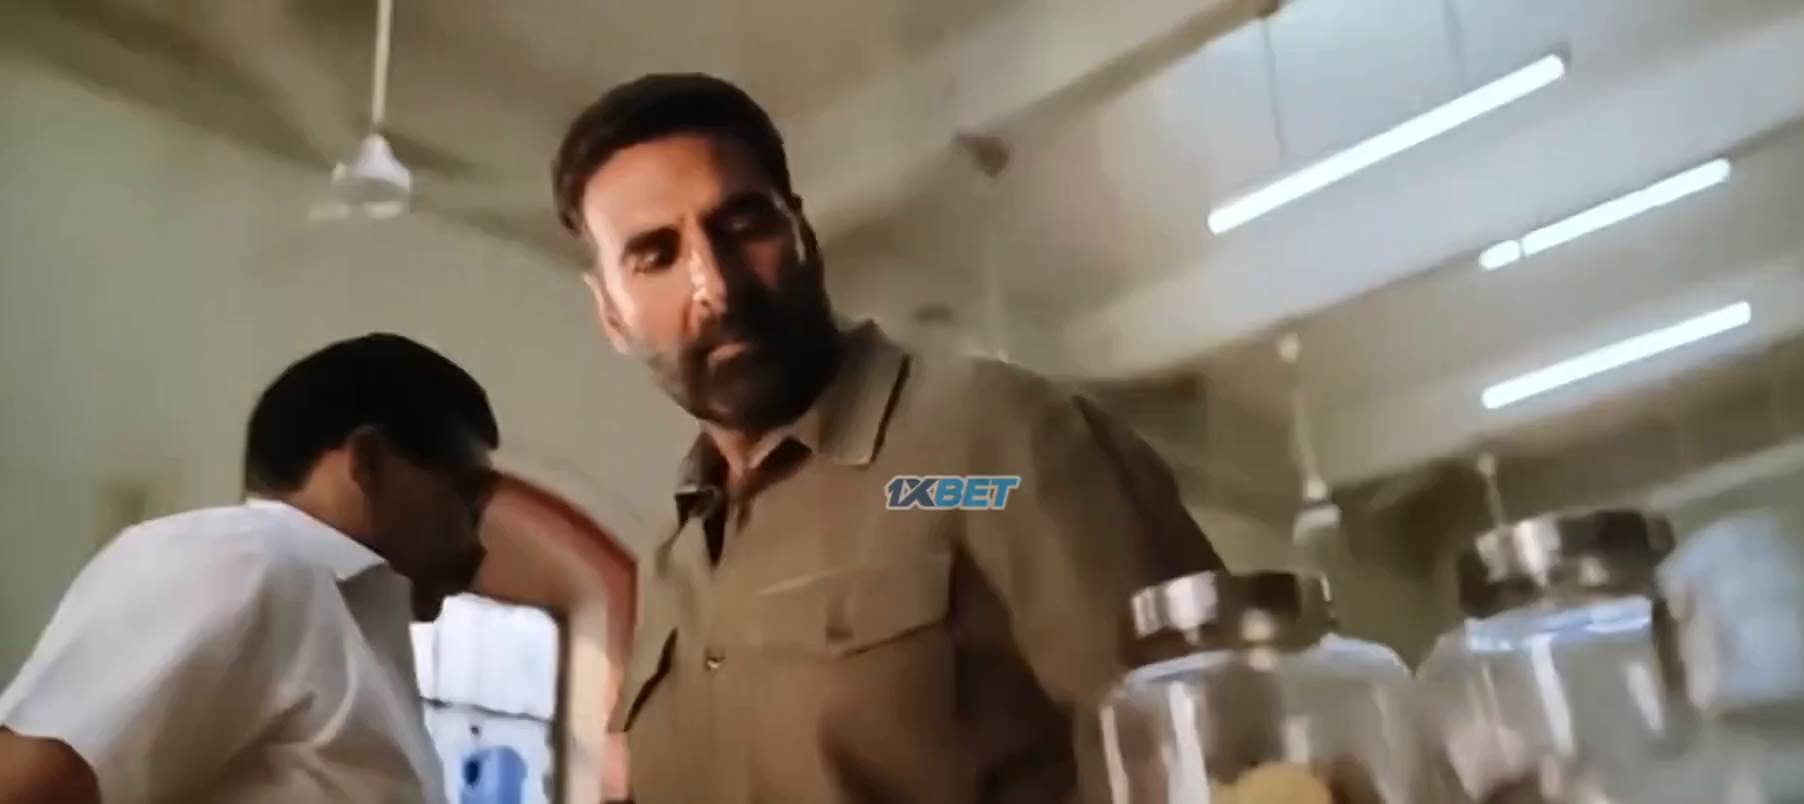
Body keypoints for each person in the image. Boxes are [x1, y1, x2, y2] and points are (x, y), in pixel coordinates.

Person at [551, 73, 1224, 803]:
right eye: (655, 255)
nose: (716, 285)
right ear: (610, 314)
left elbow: (1207, 746)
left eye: (744, 225)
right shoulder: (668, 561)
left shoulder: (988, 452)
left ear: (802, 234)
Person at [0, 333, 501, 804]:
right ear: (367, 462)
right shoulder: (246, 561)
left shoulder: (343, 615)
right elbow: (25, 786)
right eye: (469, 500)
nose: (477, 547)